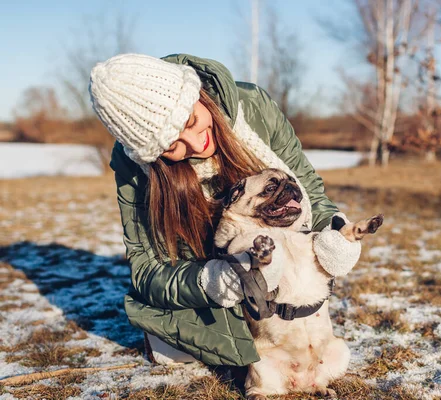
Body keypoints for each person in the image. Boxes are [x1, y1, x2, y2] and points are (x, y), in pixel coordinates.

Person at [88, 53, 361, 368]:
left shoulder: (253, 106)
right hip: (207, 278)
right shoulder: (133, 166)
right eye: (173, 146)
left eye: (191, 121)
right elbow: (148, 272)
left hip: (284, 264)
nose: (195, 143)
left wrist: (333, 237)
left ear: (197, 94)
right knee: (175, 350)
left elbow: (310, 191)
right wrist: (219, 280)